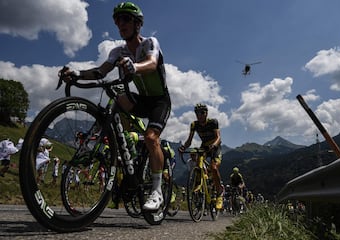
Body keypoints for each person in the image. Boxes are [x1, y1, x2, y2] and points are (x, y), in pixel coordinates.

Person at [61, 2, 171, 210]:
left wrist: (134, 66)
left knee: (150, 137)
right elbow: (100, 72)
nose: (121, 23)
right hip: (139, 99)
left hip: (159, 101)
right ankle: (116, 148)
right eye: (117, 20)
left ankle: (156, 191)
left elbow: (152, 63)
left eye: (126, 19)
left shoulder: (149, 42)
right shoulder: (118, 51)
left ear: (138, 23)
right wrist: (77, 74)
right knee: (115, 99)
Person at [178, 103, 223, 210]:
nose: (200, 115)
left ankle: (219, 193)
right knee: (198, 165)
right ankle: (199, 184)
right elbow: (189, 141)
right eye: (197, 113)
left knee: (214, 167)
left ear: (206, 113)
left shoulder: (213, 122)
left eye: (202, 112)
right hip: (204, 146)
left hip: (215, 147)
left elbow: (218, 137)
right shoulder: (194, 125)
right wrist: (183, 148)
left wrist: (214, 145)